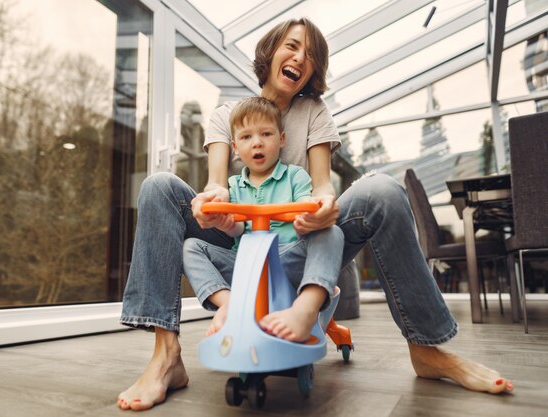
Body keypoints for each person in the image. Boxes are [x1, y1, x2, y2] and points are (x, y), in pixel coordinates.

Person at [117, 17, 513, 411]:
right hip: (236, 237)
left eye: (311, 54)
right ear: (271, 51)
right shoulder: (228, 114)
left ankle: (427, 350)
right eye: (292, 45)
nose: (300, 57)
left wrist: (324, 207)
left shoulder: (314, 113)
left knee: (384, 191)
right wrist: (213, 203)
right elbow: (217, 183)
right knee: (158, 187)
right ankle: (166, 356)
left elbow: (321, 183)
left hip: (300, 240)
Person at [182, 96, 343, 341]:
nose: (257, 143)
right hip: (245, 262)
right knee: (192, 247)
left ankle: (305, 307)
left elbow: (306, 210)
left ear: (281, 140)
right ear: (235, 148)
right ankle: (230, 303)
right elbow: (236, 228)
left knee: (332, 233)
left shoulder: (295, 176)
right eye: (246, 137)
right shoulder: (233, 186)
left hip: (287, 255)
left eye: (266, 134)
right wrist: (227, 224)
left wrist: (306, 219)